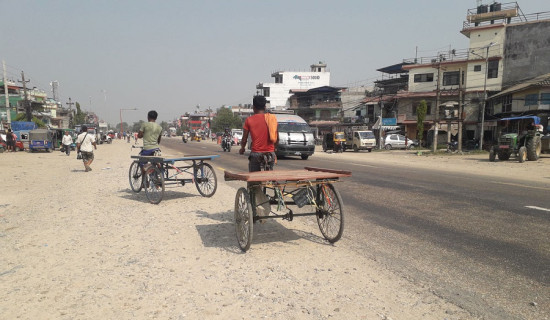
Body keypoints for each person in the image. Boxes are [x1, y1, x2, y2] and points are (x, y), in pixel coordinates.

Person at [239, 95, 277, 172]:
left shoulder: (249, 120)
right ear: (265, 107)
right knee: (269, 176)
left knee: (254, 179)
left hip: (256, 154)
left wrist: (242, 148)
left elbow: (244, 139)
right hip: (270, 154)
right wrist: (273, 150)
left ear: (253, 107)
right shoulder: (272, 119)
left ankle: (253, 183)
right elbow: (277, 137)